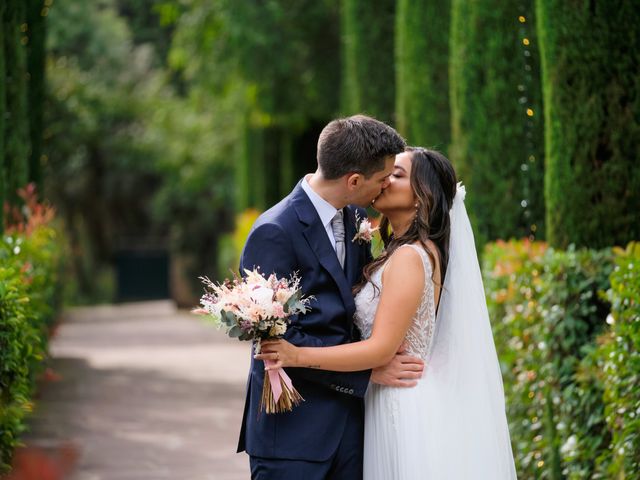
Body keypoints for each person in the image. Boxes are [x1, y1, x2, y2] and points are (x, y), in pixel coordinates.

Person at [257, 147, 518, 479]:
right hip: (382, 397)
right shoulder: (393, 250)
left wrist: (296, 355)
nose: (383, 182)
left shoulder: (411, 256)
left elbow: (381, 348)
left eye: (396, 175)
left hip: (402, 404)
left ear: (421, 197)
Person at [238, 115, 426, 480]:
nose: (387, 184)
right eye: (382, 177)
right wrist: (368, 371)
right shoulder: (275, 231)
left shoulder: (355, 215)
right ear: (354, 181)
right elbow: (278, 343)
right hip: (292, 436)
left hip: (352, 430)